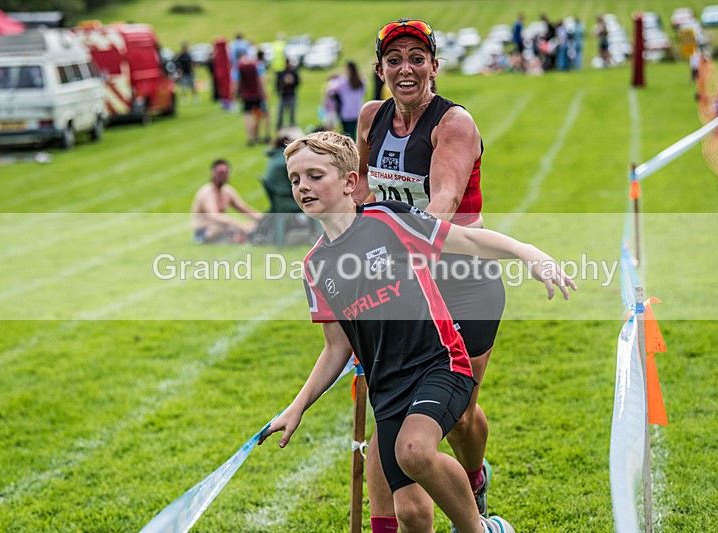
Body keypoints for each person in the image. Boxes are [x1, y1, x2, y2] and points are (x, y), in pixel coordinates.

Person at [260, 130, 576, 533]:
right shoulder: (314, 265)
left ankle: (481, 530)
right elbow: (335, 349)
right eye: (294, 179)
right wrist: (297, 406)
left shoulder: (388, 219)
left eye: (314, 175)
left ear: (349, 182)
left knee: (414, 451)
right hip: (388, 389)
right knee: (409, 512)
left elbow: (467, 240)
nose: (302, 186)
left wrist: (529, 254)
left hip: (440, 364)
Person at [354, 18, 507, 533]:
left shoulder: (453, 123)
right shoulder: (371, 119)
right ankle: (409, 517)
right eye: (393, 59)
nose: (405, 68)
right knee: (395, 410)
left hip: (464, 282)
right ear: (379, 69)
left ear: (434, 67)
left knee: (459, 415)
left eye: (417, 58)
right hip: (406, 283)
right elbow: (363, 198)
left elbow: (441, 206)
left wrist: (395, 250)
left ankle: (472, 480)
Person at [191, 159, 261, 243]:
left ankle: (241, 236)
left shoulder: (227, 191)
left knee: (252, 225)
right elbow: (214, 216)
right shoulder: (206, 193)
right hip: (204, 232)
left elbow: (244, 209)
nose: (224, 175)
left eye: (226, 172)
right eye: (221, 173)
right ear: (213, 173)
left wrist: (263, 219)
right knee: (224, 227)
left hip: (221, 229)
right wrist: (236, 223)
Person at [330, 61, 366, 139]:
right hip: (357, 110)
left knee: (347, 134)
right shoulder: (362, 81)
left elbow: (332, 91)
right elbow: (363, 94)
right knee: (355, 132)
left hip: (345, 111)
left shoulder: (343, 82)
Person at [237, 52, 264, 145]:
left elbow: (237, 81)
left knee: (248, 116)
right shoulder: (254, 66)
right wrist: (263, 92)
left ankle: (250, 136)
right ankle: (256, 134)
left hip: (246, 96)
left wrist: (236, 93)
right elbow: (259, 80)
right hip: (256, 95)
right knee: (257, 116)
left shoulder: (240, 68)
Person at [276, 58, 300, 129]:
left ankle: (292, 126)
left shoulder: (294, 73)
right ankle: (279, 126)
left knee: (292, 113)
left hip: (291, 95)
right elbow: (277, 84)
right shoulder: (281, 73)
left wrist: (291, 81)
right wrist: (284, 82)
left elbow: (297, 83)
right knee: (280, 112)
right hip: (283, 95)